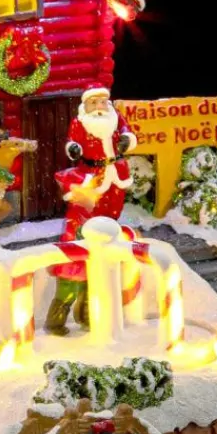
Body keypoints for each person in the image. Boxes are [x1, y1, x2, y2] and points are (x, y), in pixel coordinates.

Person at [46, 87, 136, 335]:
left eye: (103, 102)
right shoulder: (80, 122)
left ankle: (86, 315)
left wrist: (127, 139)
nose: (99, 107)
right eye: (94, 102)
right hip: (91, 176)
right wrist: (74, 148)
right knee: (74, 274)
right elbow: (72, 141)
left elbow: (127, 132)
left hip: (113, 176)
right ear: (85, 105)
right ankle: (58, 318)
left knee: (107, 226)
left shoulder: (116, 119)